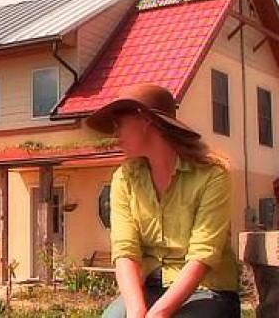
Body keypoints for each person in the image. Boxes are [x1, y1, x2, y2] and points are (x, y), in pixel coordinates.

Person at [86, 85, 239, 318]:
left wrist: (159, 313)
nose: (115, 134)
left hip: (206, 290)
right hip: (148, 289)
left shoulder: (211, 175)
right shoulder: (125, 179)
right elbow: (125, 252)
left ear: (145, 120)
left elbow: (203, 255)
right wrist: (137, 311)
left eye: (119, 125)